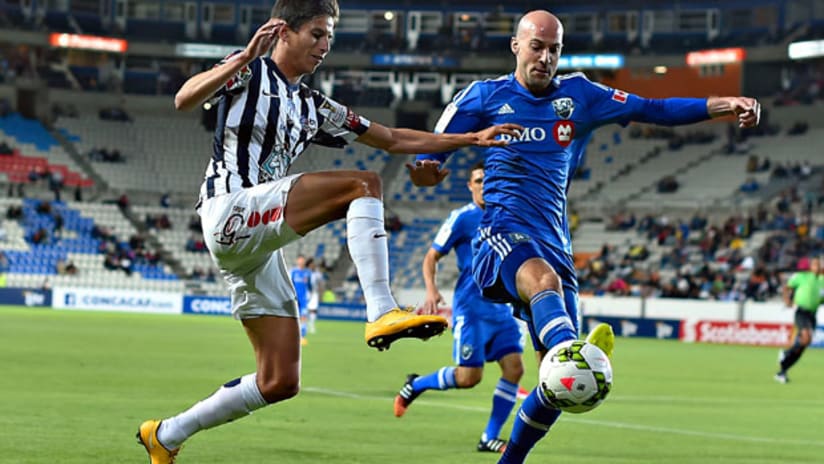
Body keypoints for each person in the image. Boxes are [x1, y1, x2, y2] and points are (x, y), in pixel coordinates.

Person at [135, 1, 521, 462]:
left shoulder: (313, 106)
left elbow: (393, 138)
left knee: (279, 381)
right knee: (363, 184)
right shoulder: (249, 72)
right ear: (283, 31)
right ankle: (381, 309)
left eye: (330, 36)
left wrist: (468, 140)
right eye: (317, 33)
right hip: (229, 211)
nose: (326, 45)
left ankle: (166, 434)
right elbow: (184, 98)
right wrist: (242, 57)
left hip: (256, 245)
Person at [409, 10, 761, 463]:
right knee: (546, 292)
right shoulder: (481, 97)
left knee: (556, 386)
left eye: (554, 49)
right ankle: (572, 349)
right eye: (536, 46)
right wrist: (428, 173)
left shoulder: (581, 95)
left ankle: (510, 458)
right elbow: (427, 161)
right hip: (502, 236)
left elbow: (653, 109)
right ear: (516, 46)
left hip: (556, 243)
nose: (545, 57)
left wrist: (722, 104)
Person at [394, 161, 525, 453]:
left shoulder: (507, 217)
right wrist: (432, 290)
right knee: (469, 378)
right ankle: (416, 385)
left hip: (502, 310)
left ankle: (489, 437)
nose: (483, 185)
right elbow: (431, 257)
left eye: (488, 180)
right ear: (470, 185)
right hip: (472, 310)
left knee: (515, 369)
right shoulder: (462, 218)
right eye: (478, 180)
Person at [775, 256, 823, 384]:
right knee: (806, 338)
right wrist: (787, 300)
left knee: (804, 344)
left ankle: (783, 369)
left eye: (819, 265)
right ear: (810, 266)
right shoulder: (802, 276)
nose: (817, 267)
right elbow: (787, 286)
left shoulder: (822, 281)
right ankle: (786, 353)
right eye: (815, 264)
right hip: (801, 312)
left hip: (812, 315)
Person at [289, 254, 312, 345]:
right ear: (297, 261)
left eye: (303, 260)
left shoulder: (308, 273)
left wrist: (310, 295)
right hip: (294, 298)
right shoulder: (293, 272)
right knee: (294, 317)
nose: (301, 262)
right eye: (300, 260)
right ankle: (293, 335)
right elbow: (290, 285)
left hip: (304, 299)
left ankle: (302, 336)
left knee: (303, 317)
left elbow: (310, 286)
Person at [305, 257, 325, 334]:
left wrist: (321, 294)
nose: (313, 265)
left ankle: (312, 325)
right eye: (312, 264)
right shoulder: (305, 272)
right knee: (305, 310)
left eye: (314, 264)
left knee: (313, 310)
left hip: (314, 293)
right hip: (305, 293)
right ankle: (305, 325)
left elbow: (320, 284)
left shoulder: (317, 274)